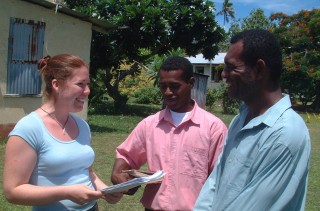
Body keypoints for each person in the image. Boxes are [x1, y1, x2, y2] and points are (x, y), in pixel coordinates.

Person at [194, 29, 311, 211]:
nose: (223, 74)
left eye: (231, 67)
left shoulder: (285, 134)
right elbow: (215, 181)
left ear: (258, 69)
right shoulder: (240, 120)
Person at [3, 54, 122, 210]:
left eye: (87, 84)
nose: (87, 91)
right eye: (80, 84)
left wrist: (104, 190)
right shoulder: (29, 128)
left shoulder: (82, 126)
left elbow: (87, 171)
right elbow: (13, 191)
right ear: (56, 84)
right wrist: (66, 192)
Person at [111, 56, 228, 211]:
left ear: (191, 83)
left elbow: (221, 178)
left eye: (174, 86)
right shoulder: (150, 124)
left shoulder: (213, 128)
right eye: (163, 86)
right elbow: (126, 155)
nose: (167, 92)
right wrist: (118, 174)